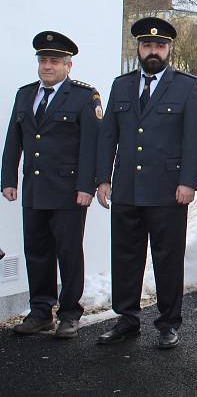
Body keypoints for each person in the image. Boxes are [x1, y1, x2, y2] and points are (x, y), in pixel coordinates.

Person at [95, 17, 197, 349]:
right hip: (127, 188)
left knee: (167, 259)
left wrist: (189, 182)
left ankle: (169, 322)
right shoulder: (121, 85)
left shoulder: (188, 87)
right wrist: (103, 178)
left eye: (159, 46)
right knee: (126, 256)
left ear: (169, 49)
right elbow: (108, 136)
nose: (153, 51)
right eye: (147, 45)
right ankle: (126, 319)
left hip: (168, 190)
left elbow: (195, 140)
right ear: (139, 49)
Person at [2, 31, 101, 338]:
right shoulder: (25, 94)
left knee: (69, 253)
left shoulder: (85, 97)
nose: (47, 66)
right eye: (43, 60)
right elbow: (13, 140)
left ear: (68, 66)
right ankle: (41, 311)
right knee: (36, 251)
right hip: (34, 188)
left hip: (69, 192)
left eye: (55, 61)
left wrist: (88, 186)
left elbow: (92, 146)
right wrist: (8, 178)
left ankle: (70, 313)